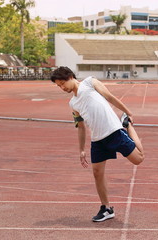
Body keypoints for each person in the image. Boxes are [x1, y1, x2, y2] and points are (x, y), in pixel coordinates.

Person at [51, 66, 144, 222]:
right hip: (97, 139)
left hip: (114, 131)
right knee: (97, 173)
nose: (62, 88)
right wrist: (81, 150)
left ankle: (127, 126)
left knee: (138, 159)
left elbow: (110, 96)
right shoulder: (73, 104)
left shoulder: (90, 82)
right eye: (58, 86)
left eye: (62, 83)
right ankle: (106, 208)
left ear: (70, 77)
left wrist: (128, 112)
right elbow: (80, 127)